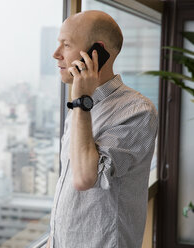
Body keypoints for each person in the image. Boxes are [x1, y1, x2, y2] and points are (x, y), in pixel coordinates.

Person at [45, 10, 158, 248]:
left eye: (66, 45)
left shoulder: (138, 111)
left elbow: (86, 178)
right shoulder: (79, 110)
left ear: (96, 53)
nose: (56, 55)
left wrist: (81, 102)